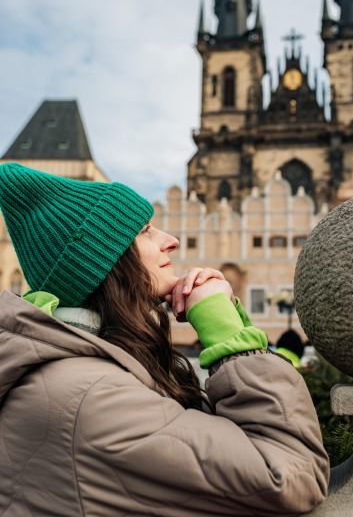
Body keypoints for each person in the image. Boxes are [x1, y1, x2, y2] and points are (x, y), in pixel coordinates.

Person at [0, 162, 329, 516]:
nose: (171, 240)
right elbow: (291, 475)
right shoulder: (92, 396)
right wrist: (228, 333)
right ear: (106, 262)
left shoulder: (87, 372)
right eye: (145, 231)